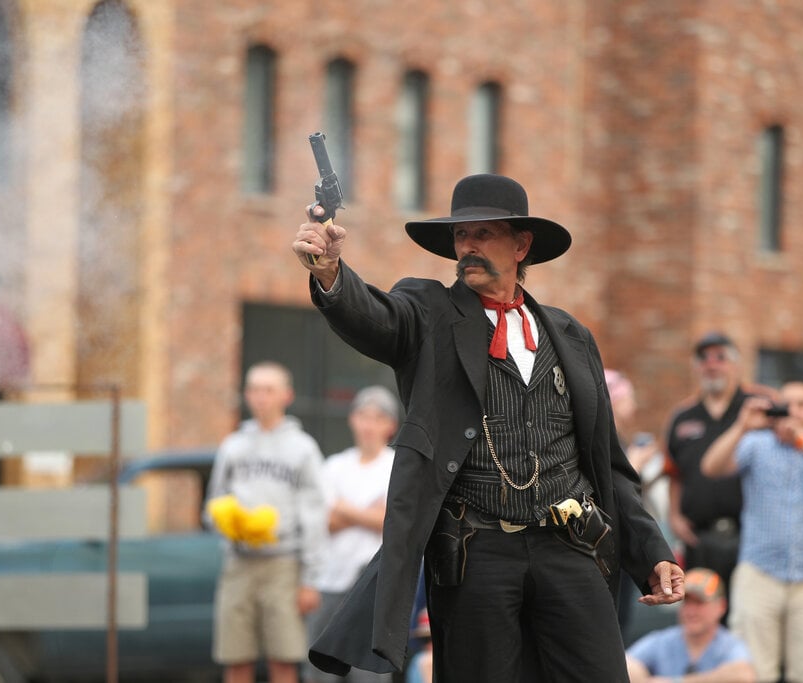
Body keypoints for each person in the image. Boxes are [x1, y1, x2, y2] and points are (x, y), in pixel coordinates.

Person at [293, 173, 683, 683]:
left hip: (570, 547)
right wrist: (329, 273)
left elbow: (609, 463)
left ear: (522, 245)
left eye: (483, 234)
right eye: (461, 236)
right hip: (477, 553)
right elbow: (375, 317)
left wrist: (653, 552)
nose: (468, 247)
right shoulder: (429, 312)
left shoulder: (571, 335)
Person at [701, 379, 803, 683]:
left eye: (802, 404)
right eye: (786, 404)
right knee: (754, 672)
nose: (792, 411)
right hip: (760, 574)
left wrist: (802, 441)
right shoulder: (757, 444)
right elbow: (711, 468)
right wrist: (742, 426)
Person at [205, 361, 327, 683]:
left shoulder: (303, 448)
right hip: (238, 563)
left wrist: (310, 579)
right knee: (236, 658)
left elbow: (314, 515)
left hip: (283, 565)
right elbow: (212, 505)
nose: (260, 397)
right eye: (254, 389)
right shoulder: (232, 446)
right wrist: (227, 521)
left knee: (284, 659)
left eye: (268, 390)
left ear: (286, 395)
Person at [305, 386, 399, 683]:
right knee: (320, 671)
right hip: (329, 580)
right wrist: (368, 513)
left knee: (367, 673)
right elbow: (324, 521)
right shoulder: (334, 466)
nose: (368, 425)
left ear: (390, 425)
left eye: (377, 418)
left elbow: (391, 523)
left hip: (373, 586)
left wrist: (345, 508)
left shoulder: (396, 466)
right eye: (362, 416)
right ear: (352, 420)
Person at [665, 332, 761, 603]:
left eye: (720, 357)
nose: (712, 364)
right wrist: (674, 516)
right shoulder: (683, 416)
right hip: (700, 538)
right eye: (704, 358)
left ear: (736, 364)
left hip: (749, 537)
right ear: (696, 367)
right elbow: (673, 472)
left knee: (745, 616)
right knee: (700, 609)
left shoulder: (756, 407)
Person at [606, 369, 673, 645]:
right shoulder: (611, 442)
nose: (633, 404)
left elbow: (634, 493)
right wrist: (635, 463)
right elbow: (613, 488)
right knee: (614, 624)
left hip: (623, 544)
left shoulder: (620, 439)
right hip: (610, 545)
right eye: (628, 397)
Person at [625, 568, 756, 683]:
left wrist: (675, 682)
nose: (691, 611)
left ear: (721, 607)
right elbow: (626, 665)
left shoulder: (729, 645)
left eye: (699, 603)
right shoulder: (663, 641)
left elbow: (744, 675)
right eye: (686, 602)